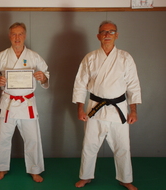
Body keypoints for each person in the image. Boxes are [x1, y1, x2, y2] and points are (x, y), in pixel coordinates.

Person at [72, 21, 141, 190]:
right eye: (103, 32)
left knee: (123, 146)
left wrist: (133, 110)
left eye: (111, 32)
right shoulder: (90, 58)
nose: (107, 35)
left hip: (119, 109)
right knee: (89, 145)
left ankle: (125, 179)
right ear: (98, 36)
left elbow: (133, 85)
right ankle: (86, 176)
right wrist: (80, 108)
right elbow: (80, 84)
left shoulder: (125, 57)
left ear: (117, 35)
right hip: (94, 108)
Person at [0, 22, 49, 183]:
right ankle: (1, 168)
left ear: (25, 35)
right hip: (8, 103)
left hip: (27, 104)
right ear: (9, 36)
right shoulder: (1, 56)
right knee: (3, 137)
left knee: (32, 138)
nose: (17, 37)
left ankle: (35, 169)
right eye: (14, 34)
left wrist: (43, 77)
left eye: (20, 34)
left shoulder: (34, 56)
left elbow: (46, 72)